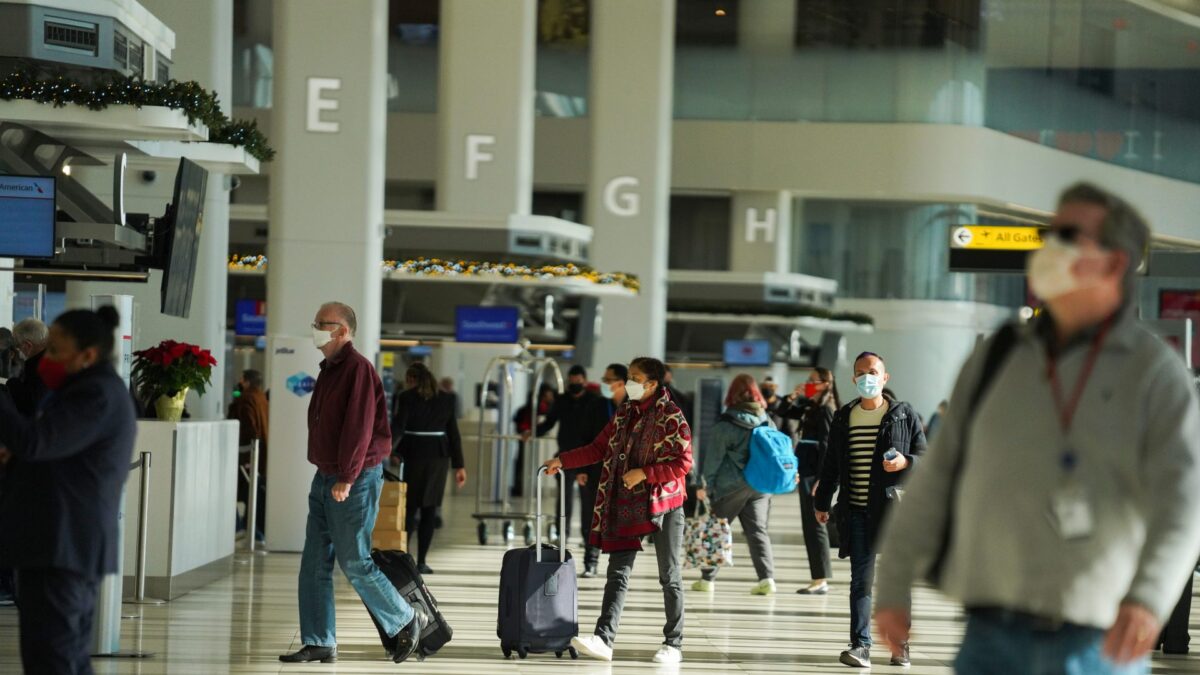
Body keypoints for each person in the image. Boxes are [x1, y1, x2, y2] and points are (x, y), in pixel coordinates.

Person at [874, 183, 1200, 675]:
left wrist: (1150, 598)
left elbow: (1184, 502)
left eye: (1068, 235)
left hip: (1098, 646)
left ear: (1114, 264)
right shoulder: (997, 358)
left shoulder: (1155, 374)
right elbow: (935, 476)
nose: (1048, 247)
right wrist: (894, 586)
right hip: (989, 638)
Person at [280, 302, 423, 665]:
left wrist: (346, 476)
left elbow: (359, 428)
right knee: (314, 562)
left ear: (342, 331)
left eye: (322, 324)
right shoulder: (330, 369)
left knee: (355, 561)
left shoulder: (357, 368)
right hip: (325, 474)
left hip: (352, 478)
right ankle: (319, 640)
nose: (315, 328)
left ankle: (406, 618)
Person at [0, 307, 136, 674]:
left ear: (88, 355)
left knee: (53, 658)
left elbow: (36, 442)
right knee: (62, 656)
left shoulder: (96, 395)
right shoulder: (79, 391)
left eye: (57, 351)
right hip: (55, 543)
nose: (47, 359)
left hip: (63, 545)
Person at [544, 357, 692, 665]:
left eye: (636, 378)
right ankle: (604, 639)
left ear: (652, 384)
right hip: (626, 505)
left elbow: (683, 464)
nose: (630, 383)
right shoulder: (624, 413)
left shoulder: (672, 417)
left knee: (669, 574)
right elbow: (599, 448)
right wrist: (563, 460)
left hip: (665, 503)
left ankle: (673, 643)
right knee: (618, 572)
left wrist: (645, 473)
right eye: (630, 377)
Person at [815, 351, 925, 669]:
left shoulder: (904, 415)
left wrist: (906, 463)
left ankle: (899, 646)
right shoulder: (844, 416)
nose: (868, 377)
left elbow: (924, 458)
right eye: (861, 372)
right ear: (853, 379)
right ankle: (860, 645)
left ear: (885, 377)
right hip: (856, 510)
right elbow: (831, 465)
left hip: (893, 511)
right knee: (860, 581)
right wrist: (822, 502)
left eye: (873, 371)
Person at [694, 374, 778, 596]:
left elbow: (713, 460)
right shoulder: (766, 419)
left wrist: (705, 485)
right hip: (761, 486)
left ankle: (707, 580)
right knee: (758, 531)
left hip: (730, 486)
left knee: (717, 528)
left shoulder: (725, 423)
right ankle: (767, 579)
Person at [392, 362, 466, 574]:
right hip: (438, 458)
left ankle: (405, 559)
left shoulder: (406, 398)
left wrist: (386, 448)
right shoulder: (447, 399)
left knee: (409, 508)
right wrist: (459, 466)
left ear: (412, 379)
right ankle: (422, 560)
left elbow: (399, 426)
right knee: (430, 509)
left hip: (414, 455)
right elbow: (454, 434)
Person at [782, 368, 840, 595]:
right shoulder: (811, 406)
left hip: (813, 472)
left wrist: (821, 478)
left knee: (815, 525)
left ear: (825, 384)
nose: (808, 384)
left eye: (812, 381)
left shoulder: (827, 409)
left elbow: (827, 446)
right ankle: (818, 577)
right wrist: (793, 396)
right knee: (809, 524)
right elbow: (783, 410)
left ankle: (821, 578)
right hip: (804, 467)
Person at [532, 365, 600, 554]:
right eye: (572, 381)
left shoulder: (594, 402)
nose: (574, 384)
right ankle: (563, 536)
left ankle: (589, 543)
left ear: (584, 381)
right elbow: (550, 421)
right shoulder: (562, 400)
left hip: (587, 458)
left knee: (588, 503)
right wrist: (533, 432)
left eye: (578, 381)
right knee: (563, 500)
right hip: (564, 456)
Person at [574, 363, 631, 577]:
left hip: (624, 473)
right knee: (591, 515)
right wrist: (582, 469)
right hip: (596, 470)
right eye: (604, 379)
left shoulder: (634, 407)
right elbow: (585, 438)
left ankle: (619, 565)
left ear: (622, 383)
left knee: (621, 517)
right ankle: (590, 561)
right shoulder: (596, 406)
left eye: (608, 380)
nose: (604, 384)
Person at [229, 369, 269, 543]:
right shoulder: (262, 398)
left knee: (243, 491)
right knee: (255, 492)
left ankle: (245, 528)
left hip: (248, 455)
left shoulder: (245, 399)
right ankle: (253, 529)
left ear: (246, 381)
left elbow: (249, 428)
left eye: (241, 379)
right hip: (262, 453)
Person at [512, 384, 555, 497]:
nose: (551, 397)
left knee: (523, 463)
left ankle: (521, 488)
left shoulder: (530, 408)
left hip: (527, 438)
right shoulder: (542, 408)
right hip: (529, 438)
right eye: (548, 395)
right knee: (526, 463)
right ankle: (523, 488)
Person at [7, 318, 49, 416]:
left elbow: (30, 405)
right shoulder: (52, 359)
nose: (17, 350)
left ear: (27, 346)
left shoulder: (38, 366)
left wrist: (12, 383)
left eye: (17, 346)